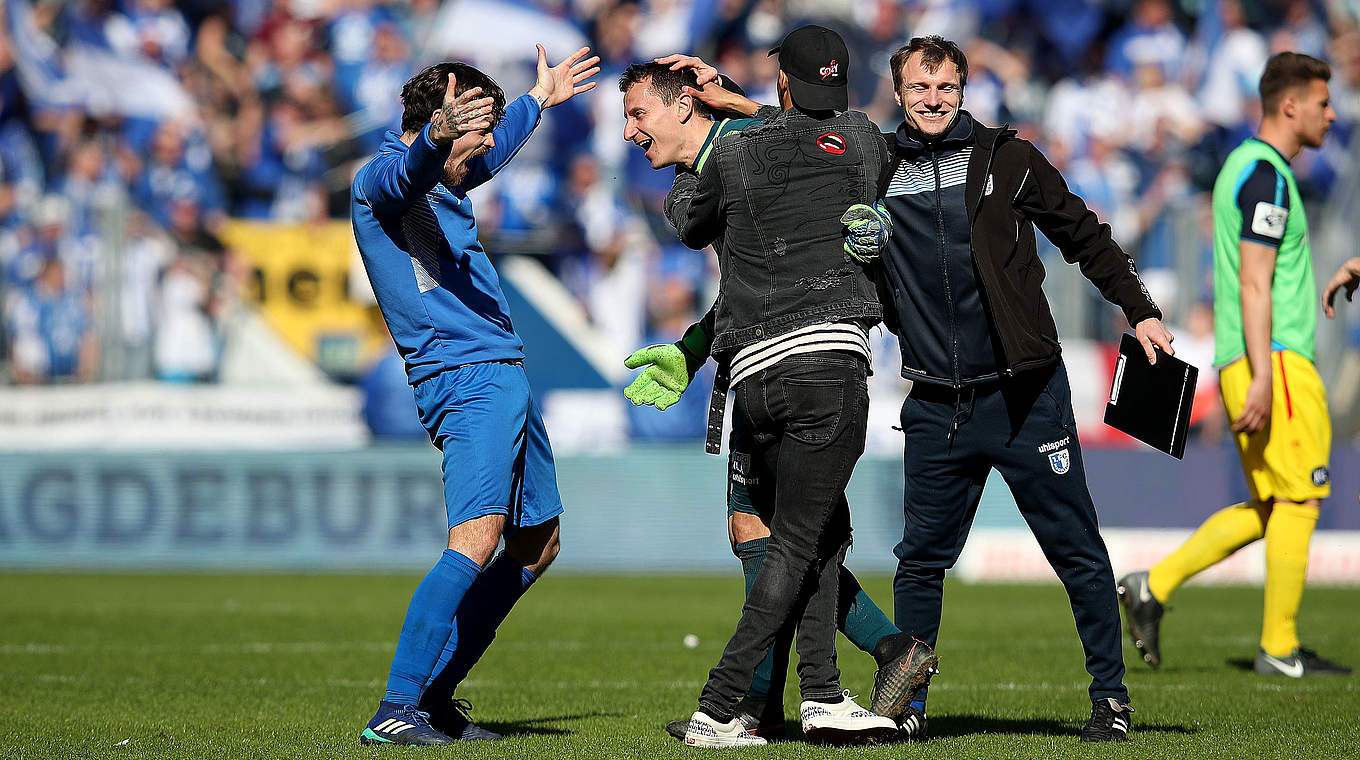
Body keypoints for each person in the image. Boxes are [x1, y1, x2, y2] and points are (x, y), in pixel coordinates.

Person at [680, 34, 1169, 742]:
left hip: (1028, 393)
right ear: (899, 93)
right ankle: (907, 708)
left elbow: (1085, 236)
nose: (932, 101)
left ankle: (1111, 700)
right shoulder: (877, 161)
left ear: (963, 90)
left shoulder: (1010, 159)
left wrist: (1142, 310)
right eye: (919, 89)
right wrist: (742, 103)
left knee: (1077, 551)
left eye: (944, 88)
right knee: (921, 563)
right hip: (938, 400)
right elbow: (808, 133)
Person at [617, 58, 937, 743]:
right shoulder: (693, 182)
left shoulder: (747, 153)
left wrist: (739, 103)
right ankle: (817, 684)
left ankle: (753, 700)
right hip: (765, 364)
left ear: (684, 107)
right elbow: (745, 284)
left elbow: (827, 140)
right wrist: (695, 347)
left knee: (781, 537)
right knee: (783, 535)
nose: (627, 131)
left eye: (638, 114)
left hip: (806, 363)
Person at [349, 45, 600, 745]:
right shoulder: (382, 181)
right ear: (438, 122)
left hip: (502, 371)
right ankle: (396, 708)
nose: (487, 149)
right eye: (473, 128)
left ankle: (434, 698)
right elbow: (414, 166)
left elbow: (474, 157)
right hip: (463, 377)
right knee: (477, 536)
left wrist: (536, 103)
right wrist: (436, 137)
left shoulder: (451, 175)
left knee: (537, 542)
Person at [1118, 52, 1352, 679]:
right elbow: (1254, 283)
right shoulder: (1267, 177)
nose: (1333, 115)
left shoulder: (1239, 171)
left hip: (1253, 356)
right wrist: (1263, 373)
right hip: (1274, 357)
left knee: (1275, 503)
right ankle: (1279, 647)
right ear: (1290, 104)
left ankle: (1153, 585)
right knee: (1300, 500)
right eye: (1324, 103)